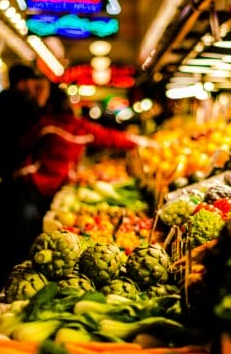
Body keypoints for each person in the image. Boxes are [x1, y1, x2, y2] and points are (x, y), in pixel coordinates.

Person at [13, 86, 150, 242]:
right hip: (47, 183)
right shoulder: (79, 126)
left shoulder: (44, 125)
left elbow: (23, 145)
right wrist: (139, 141)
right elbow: (109, 136)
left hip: (35, 183)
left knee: (28, 234)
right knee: (35, 227)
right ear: (68, 105)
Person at [0, 63, 50, 296]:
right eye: (31, 82)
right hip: (17, 179)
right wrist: (40, 102)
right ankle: (8, 281)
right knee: (18, 232)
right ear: (23, 82)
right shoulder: (26, 106)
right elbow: (37, 136)